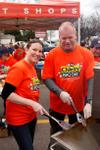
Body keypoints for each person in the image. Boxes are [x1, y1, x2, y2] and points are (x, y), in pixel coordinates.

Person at [42, 22, 94, 148]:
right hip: (57, 104)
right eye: (63, 38)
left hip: (78, 105)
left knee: (77, 136)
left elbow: (90, 78)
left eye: (70, 37)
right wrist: (60, 92)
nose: (67, 41)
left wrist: (89, 102)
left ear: (75, 36)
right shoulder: (52, 55)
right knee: (55, 135)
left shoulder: (86, 53)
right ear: (59, 37)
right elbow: (47, 78)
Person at [1, 39, 48, 150]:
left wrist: (36, 105)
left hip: (30, 116)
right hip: (18, 118)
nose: (37, 53)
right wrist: (31, 103)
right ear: (26, 50)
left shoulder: (32, 66)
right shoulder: (19, 68)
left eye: (40, 51)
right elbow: (6, 94)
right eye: (34, 49)